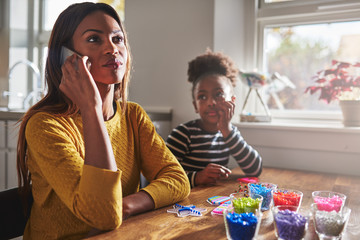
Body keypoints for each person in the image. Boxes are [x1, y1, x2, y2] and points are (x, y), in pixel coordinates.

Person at [16, 2, 190, 239]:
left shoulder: (133, 116)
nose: (112, 48)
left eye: (118, 39)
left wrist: (126, 205)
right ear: (66, 57)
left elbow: (178, 179)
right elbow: (104, 215)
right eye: (94, 40)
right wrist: (91, 108)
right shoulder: (45, 126)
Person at [166, 49, 262, 188]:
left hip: (212, 201)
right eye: (202, 97)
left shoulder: (229, 133)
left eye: (218, 94)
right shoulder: (183, 134)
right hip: (184, 204)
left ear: (232, 101)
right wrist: (197, 177)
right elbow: (163, 176)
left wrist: (227, 131)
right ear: (195, 106)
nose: (211, 102)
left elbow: (255, 170)